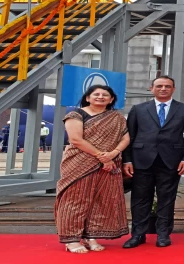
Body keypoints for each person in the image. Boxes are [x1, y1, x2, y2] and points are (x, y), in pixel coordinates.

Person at [122, 76, 184, 249]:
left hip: (171, 161)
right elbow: (129, 137)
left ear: (173, 89)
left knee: (167, 199)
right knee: (140, 199)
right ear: (152, 88)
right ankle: (138, 234)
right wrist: (127, 160)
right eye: (159, 86)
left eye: (167, 86)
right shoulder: (138, 109)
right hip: (141, 160)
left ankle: (163, 234)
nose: (163, 89)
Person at [55, 85, 130, 254]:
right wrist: (102, 157)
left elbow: (125, 138)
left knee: (100, 201)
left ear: (111, 99)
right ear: (88, 98)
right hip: (80, 162)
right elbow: (76, 139)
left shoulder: (116, 117)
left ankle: (90, 236)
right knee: (75, 200)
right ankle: (71, 238)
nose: (100, 97)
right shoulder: (76, 114)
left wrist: (113, 153)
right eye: (96, 94)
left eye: (105, 95)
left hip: (108, 164)